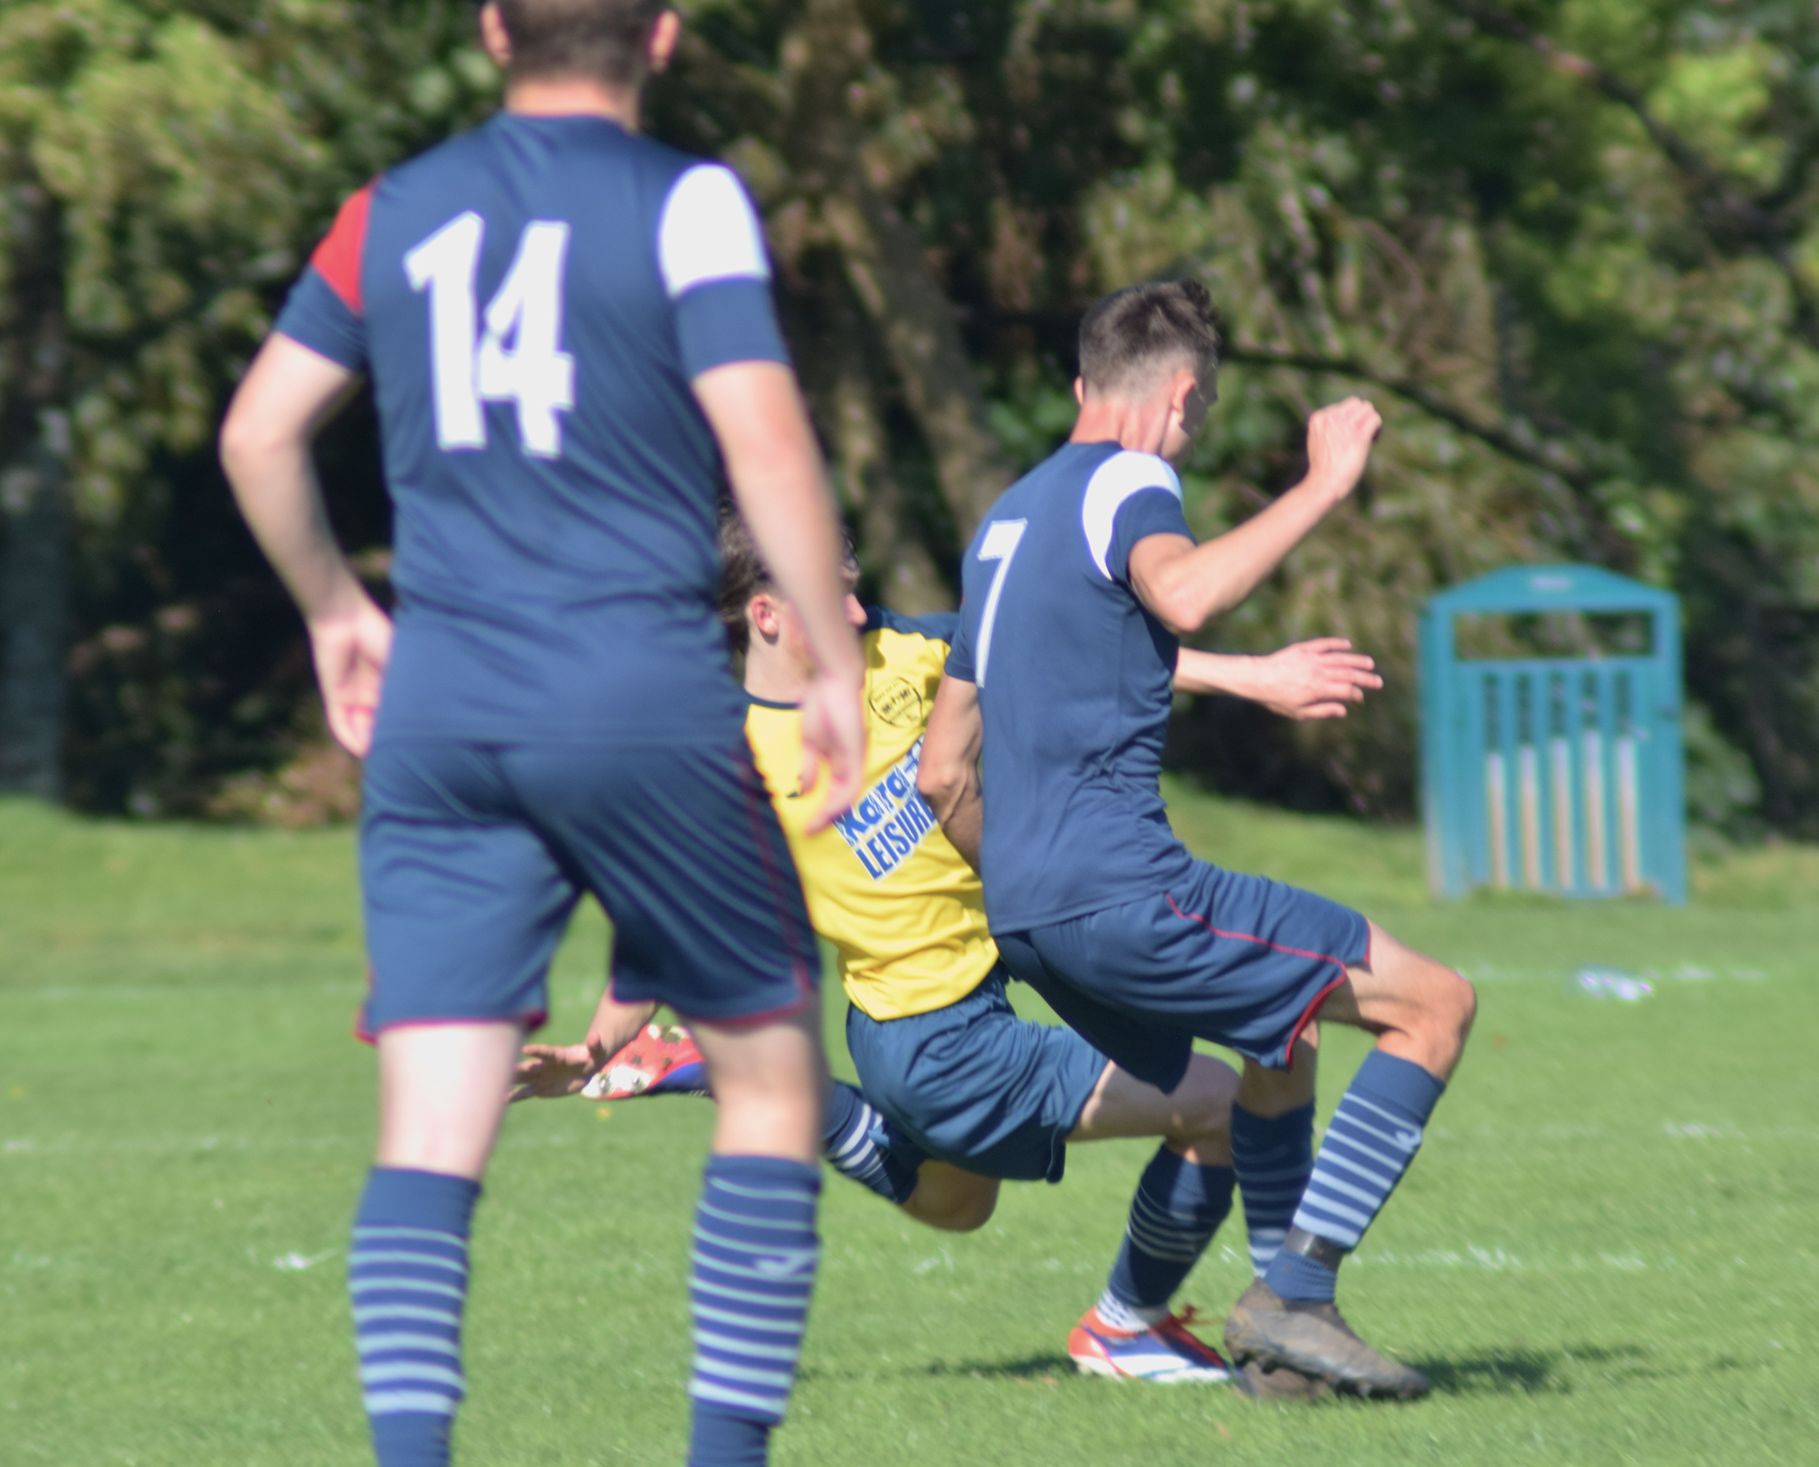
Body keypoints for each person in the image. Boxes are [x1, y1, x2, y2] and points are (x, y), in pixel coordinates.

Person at [216, 5, 864, 1465]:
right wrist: (826, 646)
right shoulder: (687, 202)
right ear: (665, 33)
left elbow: (259, 432)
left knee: (429, 1135)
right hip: (636, 689)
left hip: (443, 714)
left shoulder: (388, 210)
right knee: (766, 1081)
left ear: (494, 26)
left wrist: (335, 607)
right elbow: (764, 440)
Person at [513, 512, 1387, 1386]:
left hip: (959, 1001)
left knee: (961, 1203)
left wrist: (1255, 674)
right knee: (1219, 1104)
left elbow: (1078, 663)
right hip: (933, 1041)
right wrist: (594, 1051)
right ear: (768, 615)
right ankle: (1128, 1325)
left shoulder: (911, 649)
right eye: (833, 596)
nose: (857, 614)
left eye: (853, 589)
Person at [917, 281, 1477, 1400]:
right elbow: (1180, 595)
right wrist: (1322, 483)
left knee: (1283, 1042)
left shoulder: (1005, 520)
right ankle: (1297, 1295)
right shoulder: (1132, 476)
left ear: (1082, 387)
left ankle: (1280, 1346)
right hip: (1124, 892)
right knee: (1434, 1005)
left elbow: (941, 767)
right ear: (1177, 397)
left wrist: (1031, 877)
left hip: (1028, 912)